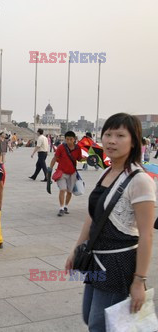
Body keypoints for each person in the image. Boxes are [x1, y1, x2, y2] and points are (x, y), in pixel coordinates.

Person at [65, 113, 156, 332]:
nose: (111, 140)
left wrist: (138, 281)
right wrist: (76, 248)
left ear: (134, 141)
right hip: (97, 259)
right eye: (107, 134)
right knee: (90, 317)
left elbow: (146, 235)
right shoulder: (107, 172)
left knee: (100, 325)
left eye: (120, 135)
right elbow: (93, 216)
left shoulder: (140, 180)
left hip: (119, 264)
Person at [49, 131, 83, 217]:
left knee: (69, 191)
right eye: (67, 139)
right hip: (62, 172)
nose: (69, 141)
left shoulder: (78, 148)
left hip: (72, 173)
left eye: (71, 139)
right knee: (62, 189)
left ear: (74, 139)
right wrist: (50, 168)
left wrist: (88, 159)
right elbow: (55, 158)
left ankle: (66, 206)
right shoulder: (61, 147)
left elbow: (79, 159)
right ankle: (61, 208)